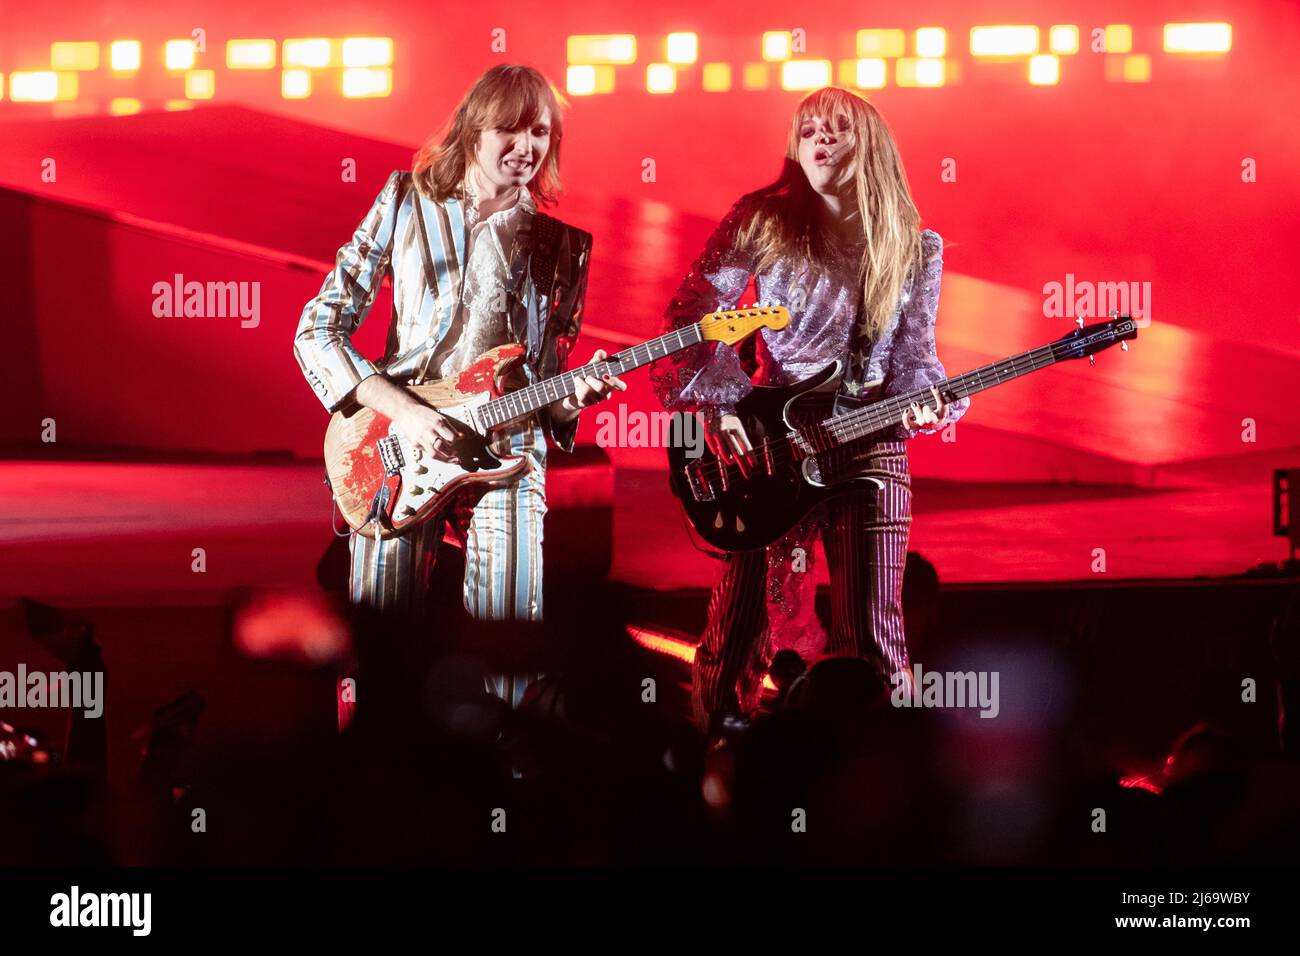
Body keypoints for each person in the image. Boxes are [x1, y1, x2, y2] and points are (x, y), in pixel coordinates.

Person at [293, 65, 623, 708]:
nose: (527, 146)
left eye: (541, 132)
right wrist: (407, 413)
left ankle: (499, 785)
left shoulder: (561, 247)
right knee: (379, 649)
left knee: (510, 645)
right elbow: (316, 330)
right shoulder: (405, 199)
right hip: (396, 441)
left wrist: (572, 397)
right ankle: (379, 780)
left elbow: (547, 382)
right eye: (511, 128)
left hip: (508, 446)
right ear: (474, 127)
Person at [651, 86, 969, 730]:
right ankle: (714, 756)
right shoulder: (760, 218)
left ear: (870, 143)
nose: (820, 140)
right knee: (738, 628)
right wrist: (721, 404)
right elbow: (691, 315)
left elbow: (913, 357)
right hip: (772, 438)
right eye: (808, 131)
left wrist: (926, 402)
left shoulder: (913, 244)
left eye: (837, 130)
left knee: (873, 632)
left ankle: (872, 769)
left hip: (870, 443)